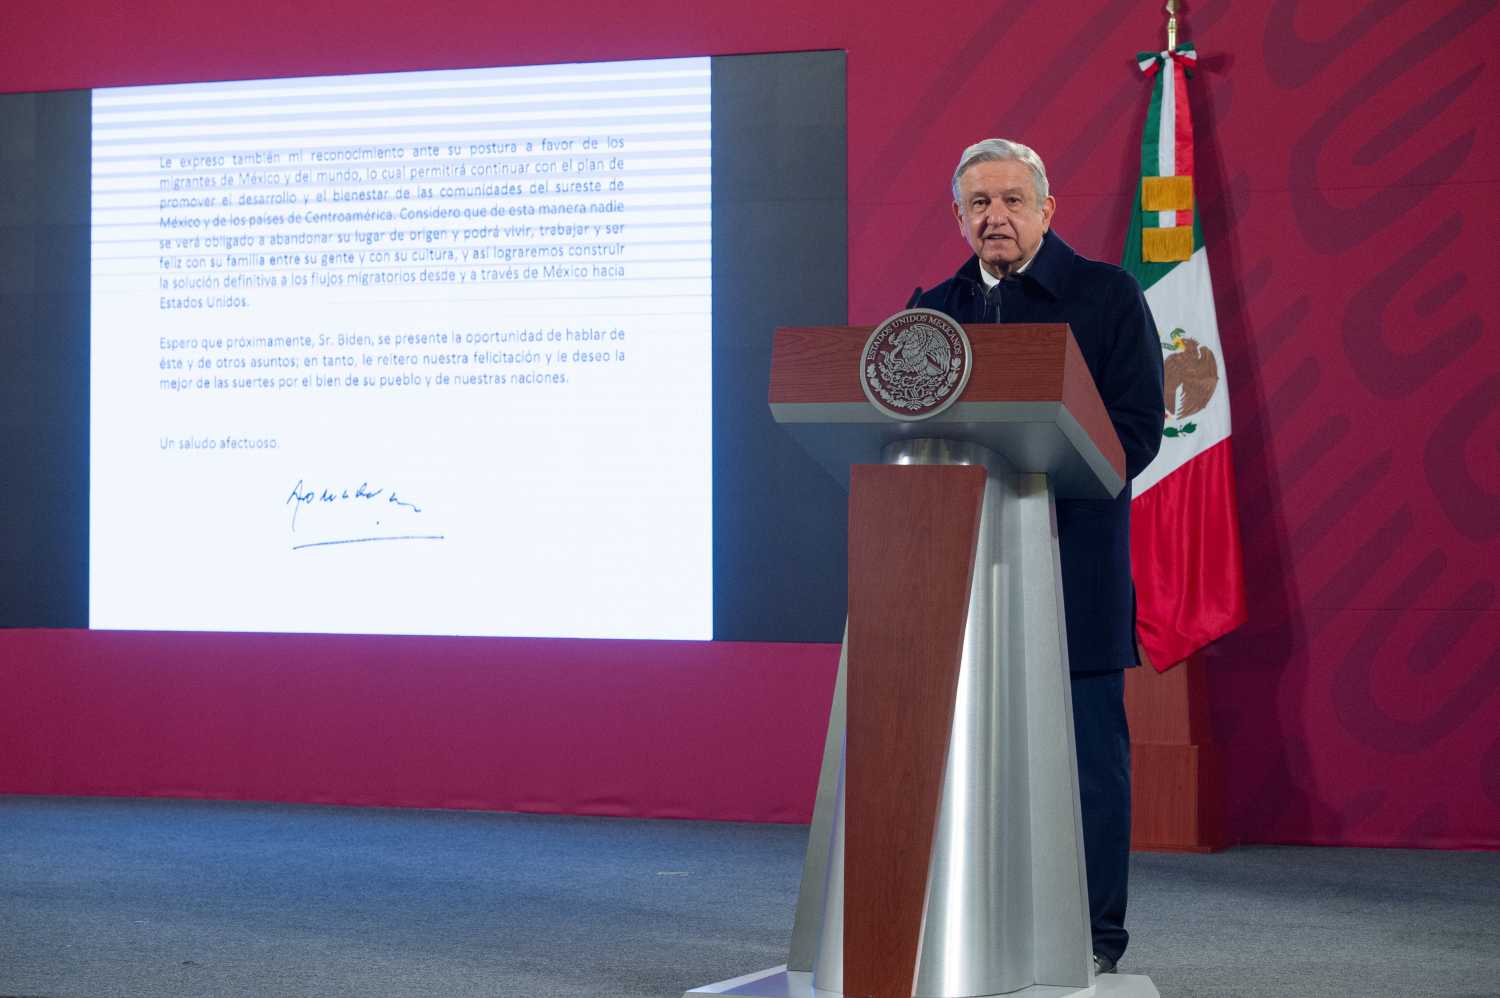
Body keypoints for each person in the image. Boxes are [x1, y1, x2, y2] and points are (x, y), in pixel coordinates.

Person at [913, 138, 1165, 974]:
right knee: (968, 763)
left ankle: (1092, 940)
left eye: (1013, 200)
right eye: (979, 203)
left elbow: (1134, 434)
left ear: (1047, 211)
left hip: (1073, 570)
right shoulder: (931, 311)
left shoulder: (1105, 296)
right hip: (963, 578)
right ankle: (974, 930)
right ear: (959, 218)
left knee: (1088, 767)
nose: (996, 217)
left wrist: (1037, 481)